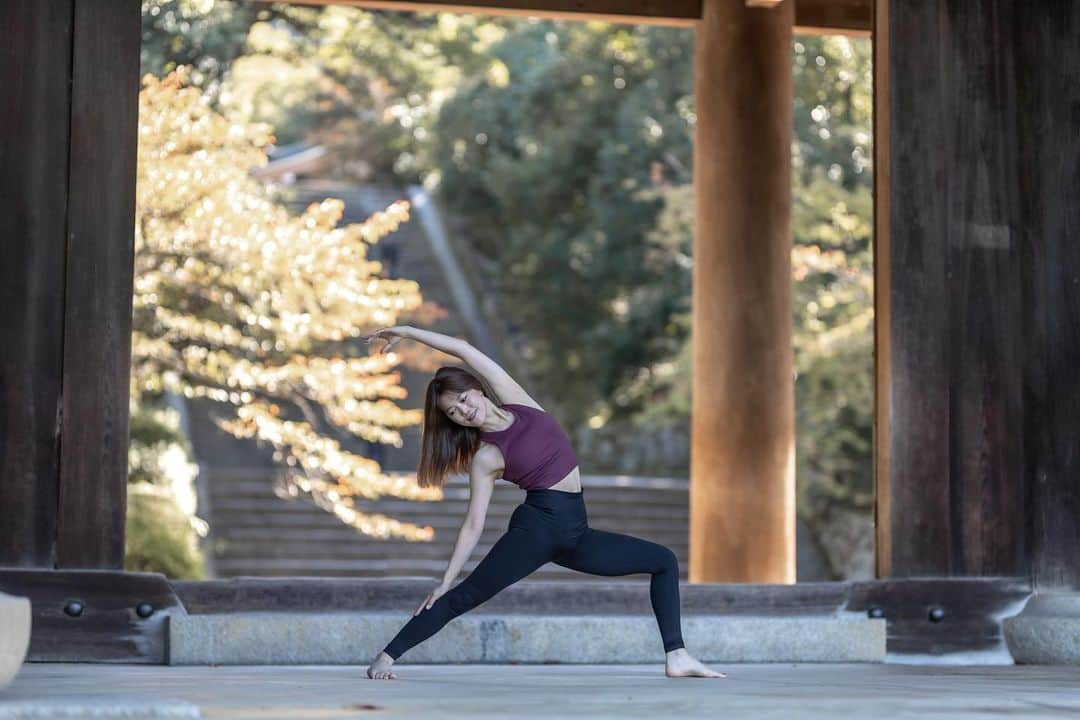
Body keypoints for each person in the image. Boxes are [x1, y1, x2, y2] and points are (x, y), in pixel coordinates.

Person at [360, 325, 725, 680]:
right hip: (537, 530)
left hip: (575, 533)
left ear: (477, 389)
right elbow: (473, 524)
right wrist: (444, 579)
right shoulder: (487, 457)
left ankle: (676, 655)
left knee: (663, 561)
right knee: (464, 595)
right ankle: (385, 657)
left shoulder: (519, 401)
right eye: (453, 412)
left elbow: (464, 350)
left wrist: (407, 331)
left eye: (462, 399)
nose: (463, 410)